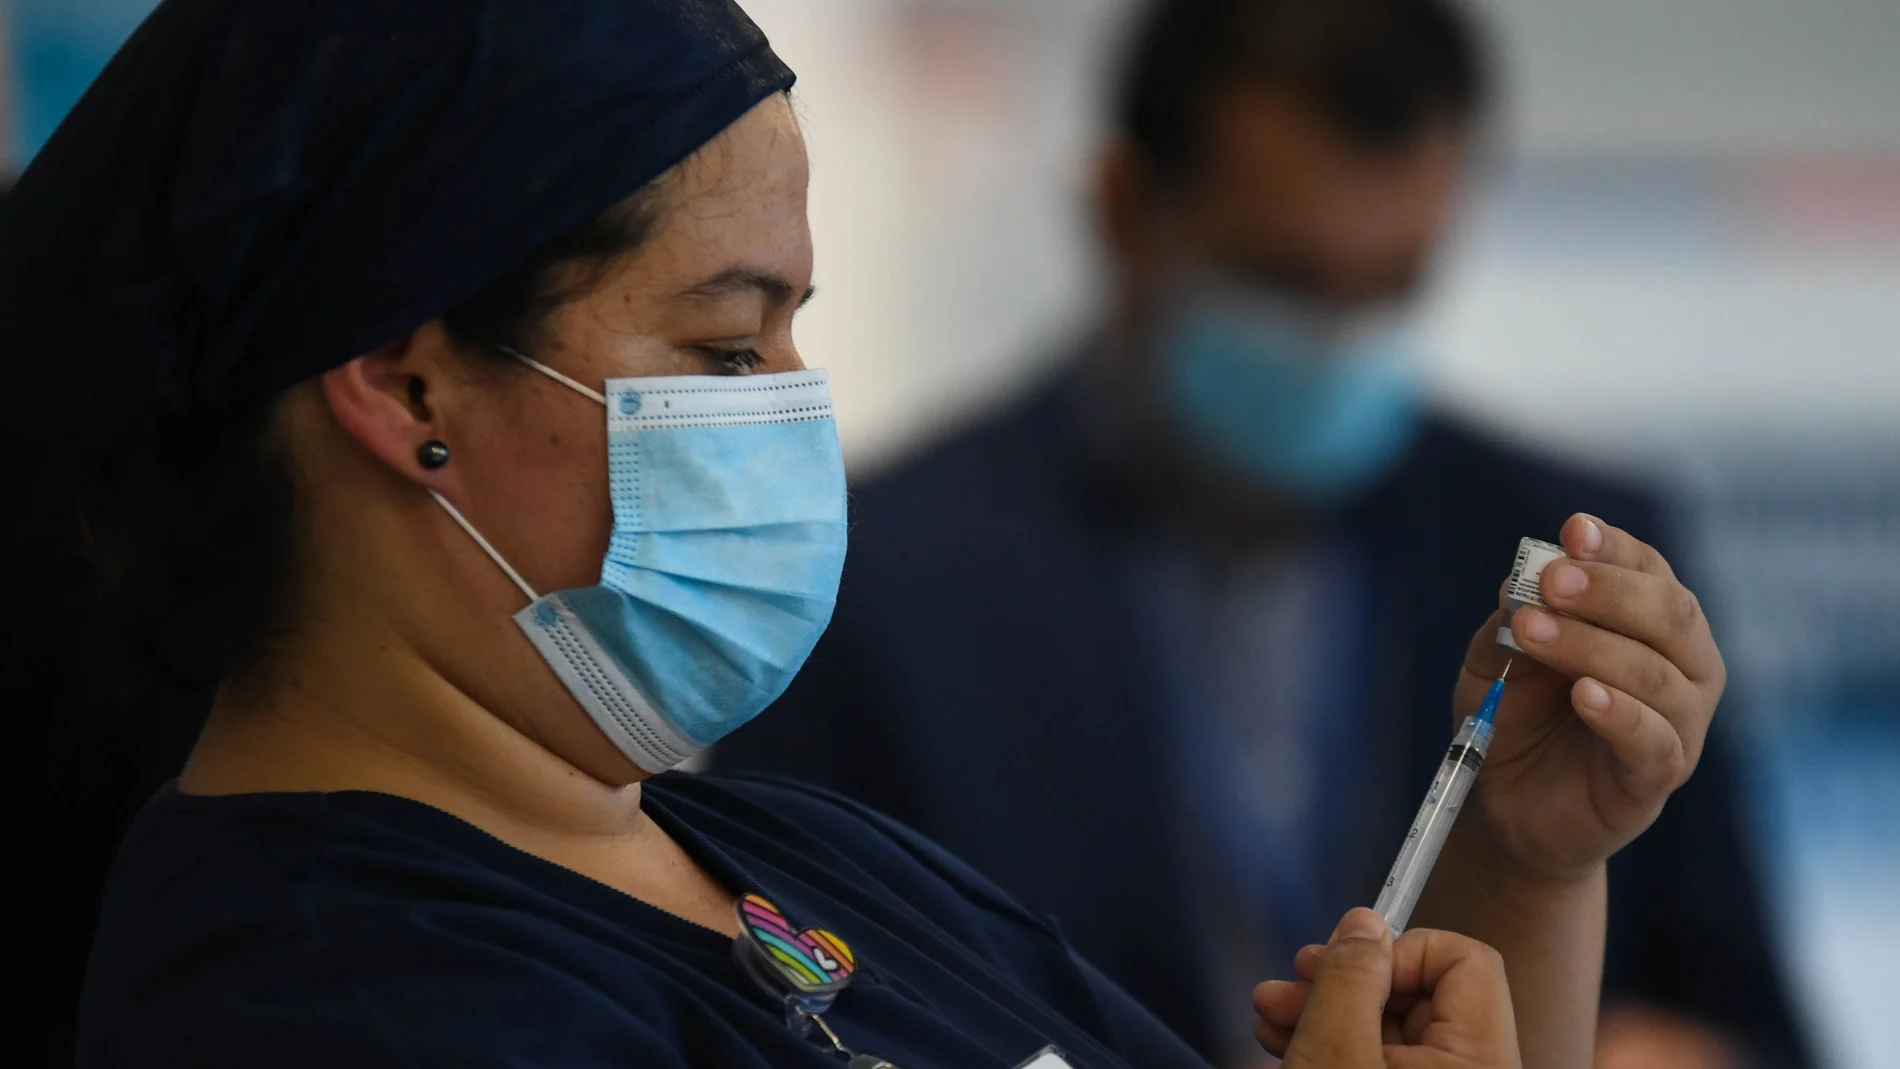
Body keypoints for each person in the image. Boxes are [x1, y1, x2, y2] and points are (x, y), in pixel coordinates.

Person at [2, 2, 1727, 1068]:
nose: (792, 410)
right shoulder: (330, 1002)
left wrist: (1526, 855)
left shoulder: (802, 865)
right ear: (402, 381)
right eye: (726, 346)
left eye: (792, 336)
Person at [713, 1, 1810, 1066]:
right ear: (1124, 208)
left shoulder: (1570, 567)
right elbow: (768, 997)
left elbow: (1749, 1018)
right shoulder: (878, 576)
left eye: (1392, 285)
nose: (1337, 343)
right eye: (1283, 281)